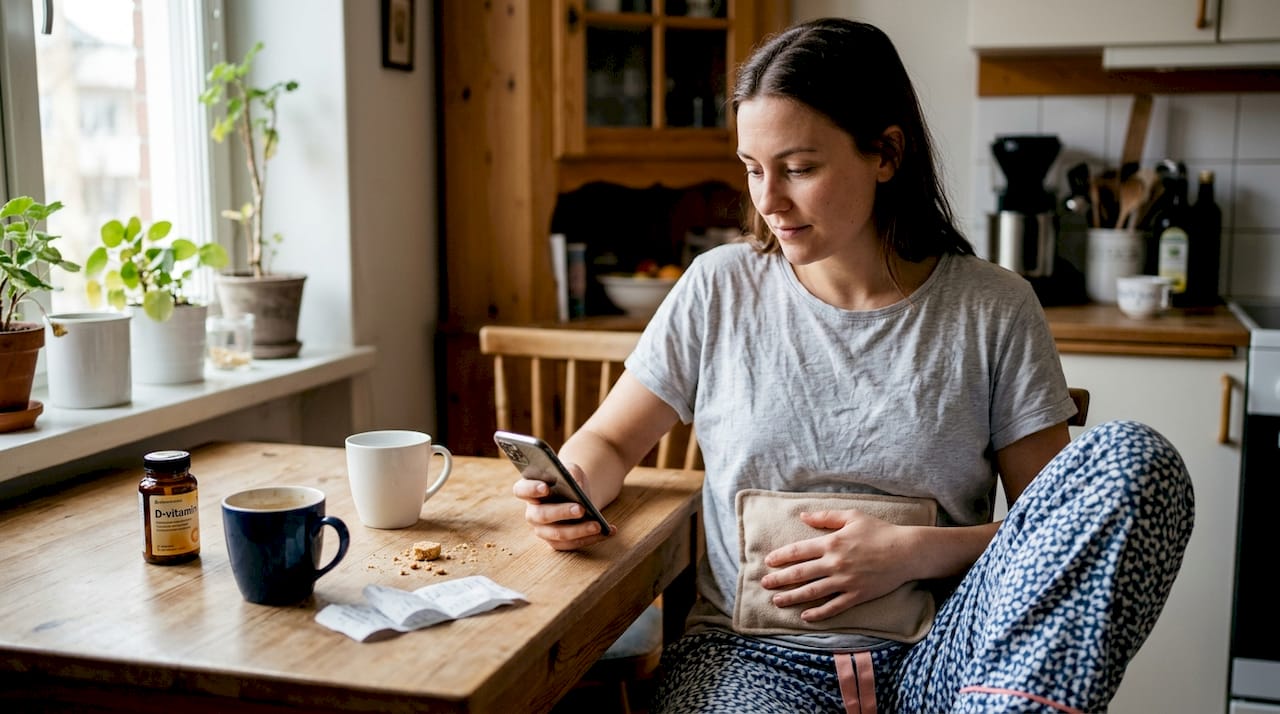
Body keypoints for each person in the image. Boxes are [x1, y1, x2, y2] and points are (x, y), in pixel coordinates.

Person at [513, 17, 1193, 714]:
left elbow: (1048, 531)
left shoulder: (994, 307)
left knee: (1138, 459)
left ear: (886, 154)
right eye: (753, 169)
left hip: (945, 661)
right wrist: (571, 488)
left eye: (799, 168)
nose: (768, 200)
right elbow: (611, 440)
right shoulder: (719, 288)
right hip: (750, 660)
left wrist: (912, 553)